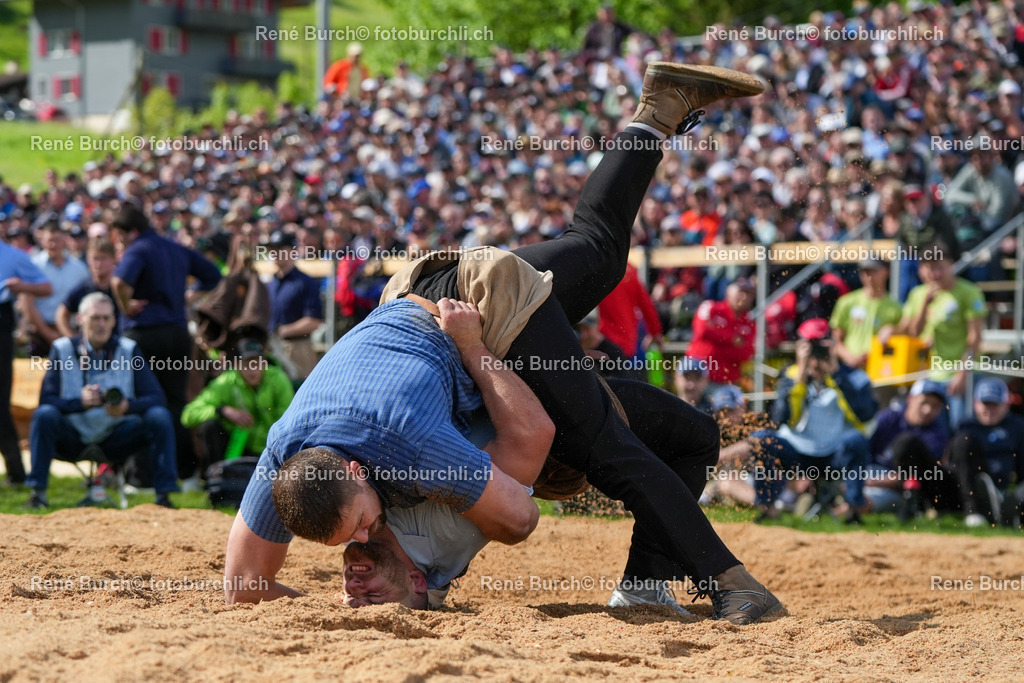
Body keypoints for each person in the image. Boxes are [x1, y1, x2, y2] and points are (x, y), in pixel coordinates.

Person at [226, 62, 783, 624]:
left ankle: (731, 583)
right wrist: (324, 610)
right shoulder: (287, 449)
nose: (366, 538)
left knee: (608, 449)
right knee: (605, 266)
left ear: (349, 473)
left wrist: (472, 349)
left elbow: (518, 517)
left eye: (364, 522)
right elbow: (242, 584)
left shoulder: (405, 442)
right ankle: (661, 110)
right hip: (418, 296)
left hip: (472, 318)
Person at [342, 375, 722, 611]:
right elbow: (528, 434)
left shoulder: (357, 520)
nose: (355, 591)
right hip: (541, 413)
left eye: (350, 598)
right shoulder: (440, 538)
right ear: (417, 582)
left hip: (511, 398)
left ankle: (645, 586)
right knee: (697, 439)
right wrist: (553, 367)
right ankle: (645, 586)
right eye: (373, 599)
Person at [24, 293, 178, 509]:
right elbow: (46, 400)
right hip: (72, 437)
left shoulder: (128, 349)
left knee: (159, 416)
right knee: (44, 415)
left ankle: (164, 497)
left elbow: (156, 397)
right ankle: (37, 494)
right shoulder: (62, 348)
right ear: (80, 319)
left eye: (107, 318)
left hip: (117, 437)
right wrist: (80, 402)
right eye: (95, 318)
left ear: (115, 321)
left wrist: (126, 407)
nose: (102, 324)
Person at [110, 203, 221, 485]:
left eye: (120, 235)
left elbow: (119, 283)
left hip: (143, 335)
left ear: (132, 231)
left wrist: (125, 307)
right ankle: (184, 473)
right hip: (176, 335)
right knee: (175, 403)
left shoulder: (138, 249)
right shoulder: (175, 248)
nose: (119, 242)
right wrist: (187, 297)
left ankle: (142, 477)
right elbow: (213, 274)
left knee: (141, 402)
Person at [747, 319, 877, 522]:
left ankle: (853, 510)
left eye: (821, 346)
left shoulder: (849, 376)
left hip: (833, 452)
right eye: (811, 346)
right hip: (796, 452)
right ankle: (769, 509)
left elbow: (865, 414)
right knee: (762, 439)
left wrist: (836, 373)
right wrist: (800, 375)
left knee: (857, 440)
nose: (816, 354)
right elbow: (780, 419)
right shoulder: (790, 374)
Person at [885, 242, 985, 430]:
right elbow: (914, 332)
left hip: (958, 374)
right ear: (923, 269)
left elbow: (975, 337)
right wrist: (924, 305)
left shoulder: (969, 292)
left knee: (959, 429)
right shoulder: (918, 294)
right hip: (929, 376)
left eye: (940, 268)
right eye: (931, 269)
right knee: (931, 431)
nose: (936, 274)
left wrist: (963, 373)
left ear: (951, 264)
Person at [181, 338, 294, 469]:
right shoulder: (225, 382)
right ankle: (218, 476)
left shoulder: (279, 379)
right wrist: (222, 411)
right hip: (237, 450)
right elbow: (188, 415)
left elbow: (288, 421)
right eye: (247, 364)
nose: (253, 370)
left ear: (264, 363)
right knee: (209, 426)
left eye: (256, 363)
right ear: (237, 365)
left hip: (272, 449)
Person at [1, 241, 52, 486]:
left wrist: (20, 287)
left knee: (0, 405)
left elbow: (45, 286)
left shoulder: (13, 256)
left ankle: (17, 473)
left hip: (1, 330)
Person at [864, 378, 951, 514]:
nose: (928, 410)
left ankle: (843, 511)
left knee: (869, 500)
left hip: (898, 487)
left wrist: (874, 482)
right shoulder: (887, 418)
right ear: (910, 399)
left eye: (935, 406)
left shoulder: (937, 436)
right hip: (870, 472)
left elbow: (918, 475)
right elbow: (864, 450)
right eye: (924, 402)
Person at [948, 378, 1024, 527]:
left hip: (1006, 485)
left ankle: (1009, 509)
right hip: (972, 484)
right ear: (976, 404)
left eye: (995, 404)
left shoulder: (1018, 426)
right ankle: (973, 510)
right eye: (985, 403)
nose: (989, 409)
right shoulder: (965, 426)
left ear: (1006, 404)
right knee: (963, 442)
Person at [23, 219, 89, 356]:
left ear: (64, 241)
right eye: (49, 240)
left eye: (57, 240)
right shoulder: (33, 266)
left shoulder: (79, 268)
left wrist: (69, 333)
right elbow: (27, 303)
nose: (53, 245)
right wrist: (47, 333)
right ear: (42, 241)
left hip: (71, 332)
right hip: (39, 334)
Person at [265, 231, 323, 381]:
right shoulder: (271, 283)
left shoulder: (306, 282)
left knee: (299, 392)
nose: (275, 253)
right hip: (272, 347)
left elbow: (314, 321)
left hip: (298, 348)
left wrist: (283, 331)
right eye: (272, 249)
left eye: (280, 248)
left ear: (292, 251)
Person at [829, 258, 902, 370]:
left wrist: (894, 330)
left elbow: (907, 336)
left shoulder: (895, 307)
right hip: (849, 368)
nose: (869, 276)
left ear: (886, 272)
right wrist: (850, 357)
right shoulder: (847, 302)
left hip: (880, 368)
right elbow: (836, 339)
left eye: (874, 271)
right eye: (865, 272)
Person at [686, 277, 756, 385]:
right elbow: (702, 331)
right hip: (698, 377)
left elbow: (746, 353)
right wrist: (732, 339)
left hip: (726, 380)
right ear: (728, 292)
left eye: (748, 294)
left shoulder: (750, 322)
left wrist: (716, 338)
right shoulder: (711, 307)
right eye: (741, 292)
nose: (744, 297)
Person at [597, 262, 663, 366]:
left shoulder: (595, 267)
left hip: (601, 343)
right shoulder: (629, 269)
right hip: (626, 345)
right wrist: (655, 333)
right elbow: (647, 305)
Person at [56, 238, 120, 339]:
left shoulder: (120, 288)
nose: (98, 264)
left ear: (113, 259)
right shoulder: (83, 289)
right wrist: (73, 339)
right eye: (95, 259)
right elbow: (61, 316)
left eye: (103, 258)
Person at [575, 309, 644, 382]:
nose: (583, 335)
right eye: (580, 329)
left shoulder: (612, 353)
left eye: (587, 329)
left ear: (598, 325)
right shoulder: (575, 351)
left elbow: (620, 387)